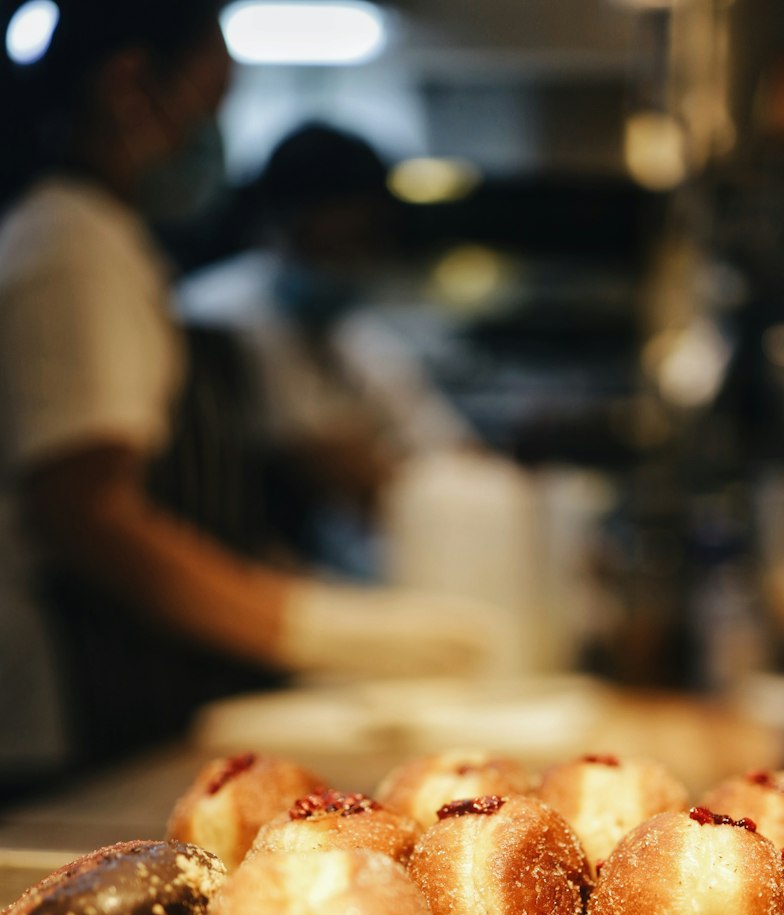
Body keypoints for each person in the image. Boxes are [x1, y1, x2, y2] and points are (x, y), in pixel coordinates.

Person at [0, 2, 501, 802]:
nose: (213, 138)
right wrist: (305, 627)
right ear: (131, 87)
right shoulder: (68, 243)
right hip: (65, 692)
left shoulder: (100, 239)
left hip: (102, 680)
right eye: (209, 103)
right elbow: (85, 511)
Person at [177, 122, 477, 578]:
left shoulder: (352, 335)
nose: (354, 259)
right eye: (338, 240)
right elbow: (329, 463)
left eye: (365, 240)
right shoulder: (216, 316)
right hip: (219, 572)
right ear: (284, 222)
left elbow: (449, 445)